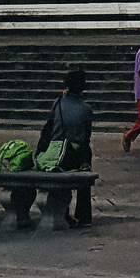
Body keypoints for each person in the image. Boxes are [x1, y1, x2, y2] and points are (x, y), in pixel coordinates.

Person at [37, 65, 95, 228]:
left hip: (55, 155)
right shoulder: (86, 109)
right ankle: (84, 214)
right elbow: (86, 136)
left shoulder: (57, 104)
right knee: (85, 155)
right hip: (74, 157)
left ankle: (64, 211)